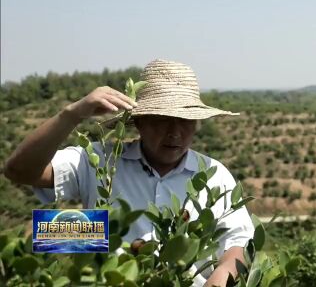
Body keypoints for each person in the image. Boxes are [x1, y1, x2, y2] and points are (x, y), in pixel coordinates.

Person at [4, 59, 254, 287]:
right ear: (140, 121)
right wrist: (71, 115)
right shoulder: (101, 161)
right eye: (162, 119)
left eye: (185, 120)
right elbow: (19, 171)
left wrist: (221, 276)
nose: (175, 132)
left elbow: (238, 242)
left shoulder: (213, 174)